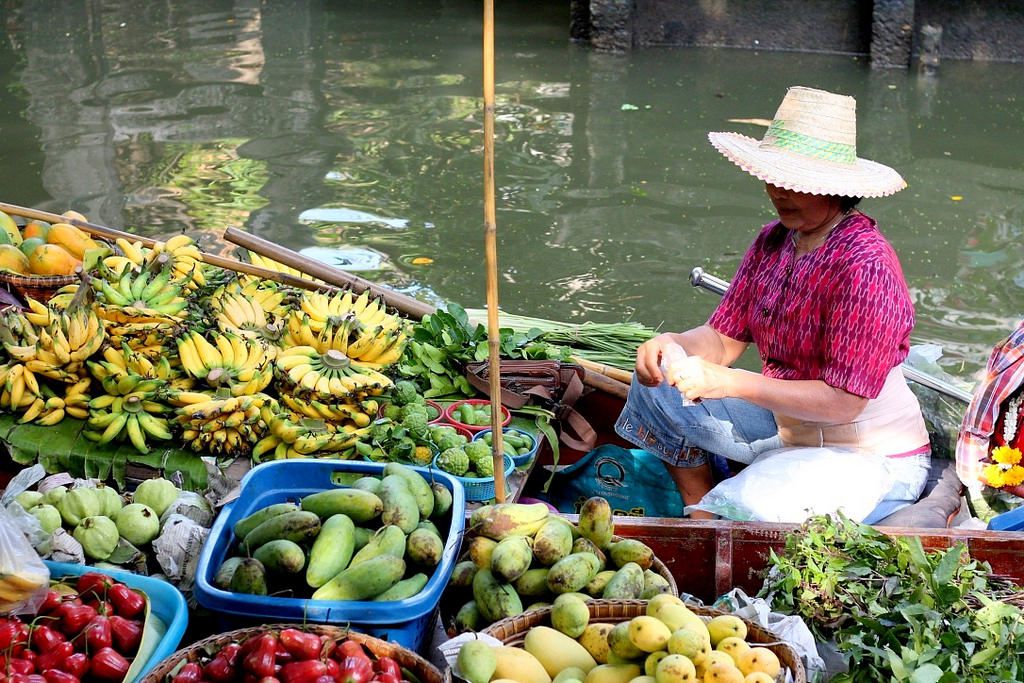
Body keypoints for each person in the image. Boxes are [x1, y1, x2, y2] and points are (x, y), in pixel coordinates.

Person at [615, 86, 931, 522]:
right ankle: (699, 511)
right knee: (655, 385)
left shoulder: (865, 265)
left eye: (793, 183)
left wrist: (727, 383)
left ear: (835, 188)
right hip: (791, 427)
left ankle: (711, 522)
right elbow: (723, 338)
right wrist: (672, 344)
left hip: (869, 455)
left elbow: (844, 402)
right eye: (772, 178)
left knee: (751, 512)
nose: (778, 192)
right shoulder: (774, 240)